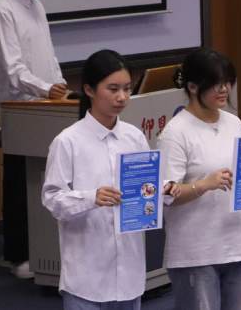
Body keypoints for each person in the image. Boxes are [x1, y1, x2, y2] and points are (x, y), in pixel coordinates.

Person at [42, 50, 179, 309]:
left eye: (127, 89)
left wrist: (167, 188)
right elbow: (52, 199)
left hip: (129, 272)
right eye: (113, 89)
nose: (122, 97)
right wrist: (91, 198)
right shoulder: (68, 141)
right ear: (89, 90)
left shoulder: (134, 136)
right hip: (86, 276)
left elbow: (146, 184)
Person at [157, 48, 241, 310]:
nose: (224, 89)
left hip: (236, 243)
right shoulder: (175, 132)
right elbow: (165, 195)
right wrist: (203, 185)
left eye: (227, 82)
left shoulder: (233, 123)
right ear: (193, 87)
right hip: (195, 252)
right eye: (216, 83)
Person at [0, 0, 67, 278]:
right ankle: (18, 255)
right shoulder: (1, 12)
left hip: (48, 106)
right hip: (21, 108)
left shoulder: (37, 6)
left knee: (48, 179)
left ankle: (45, 249)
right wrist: (47, 88)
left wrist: (60, 86)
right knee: (20, 182)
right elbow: (13, 69)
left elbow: (48, 55)